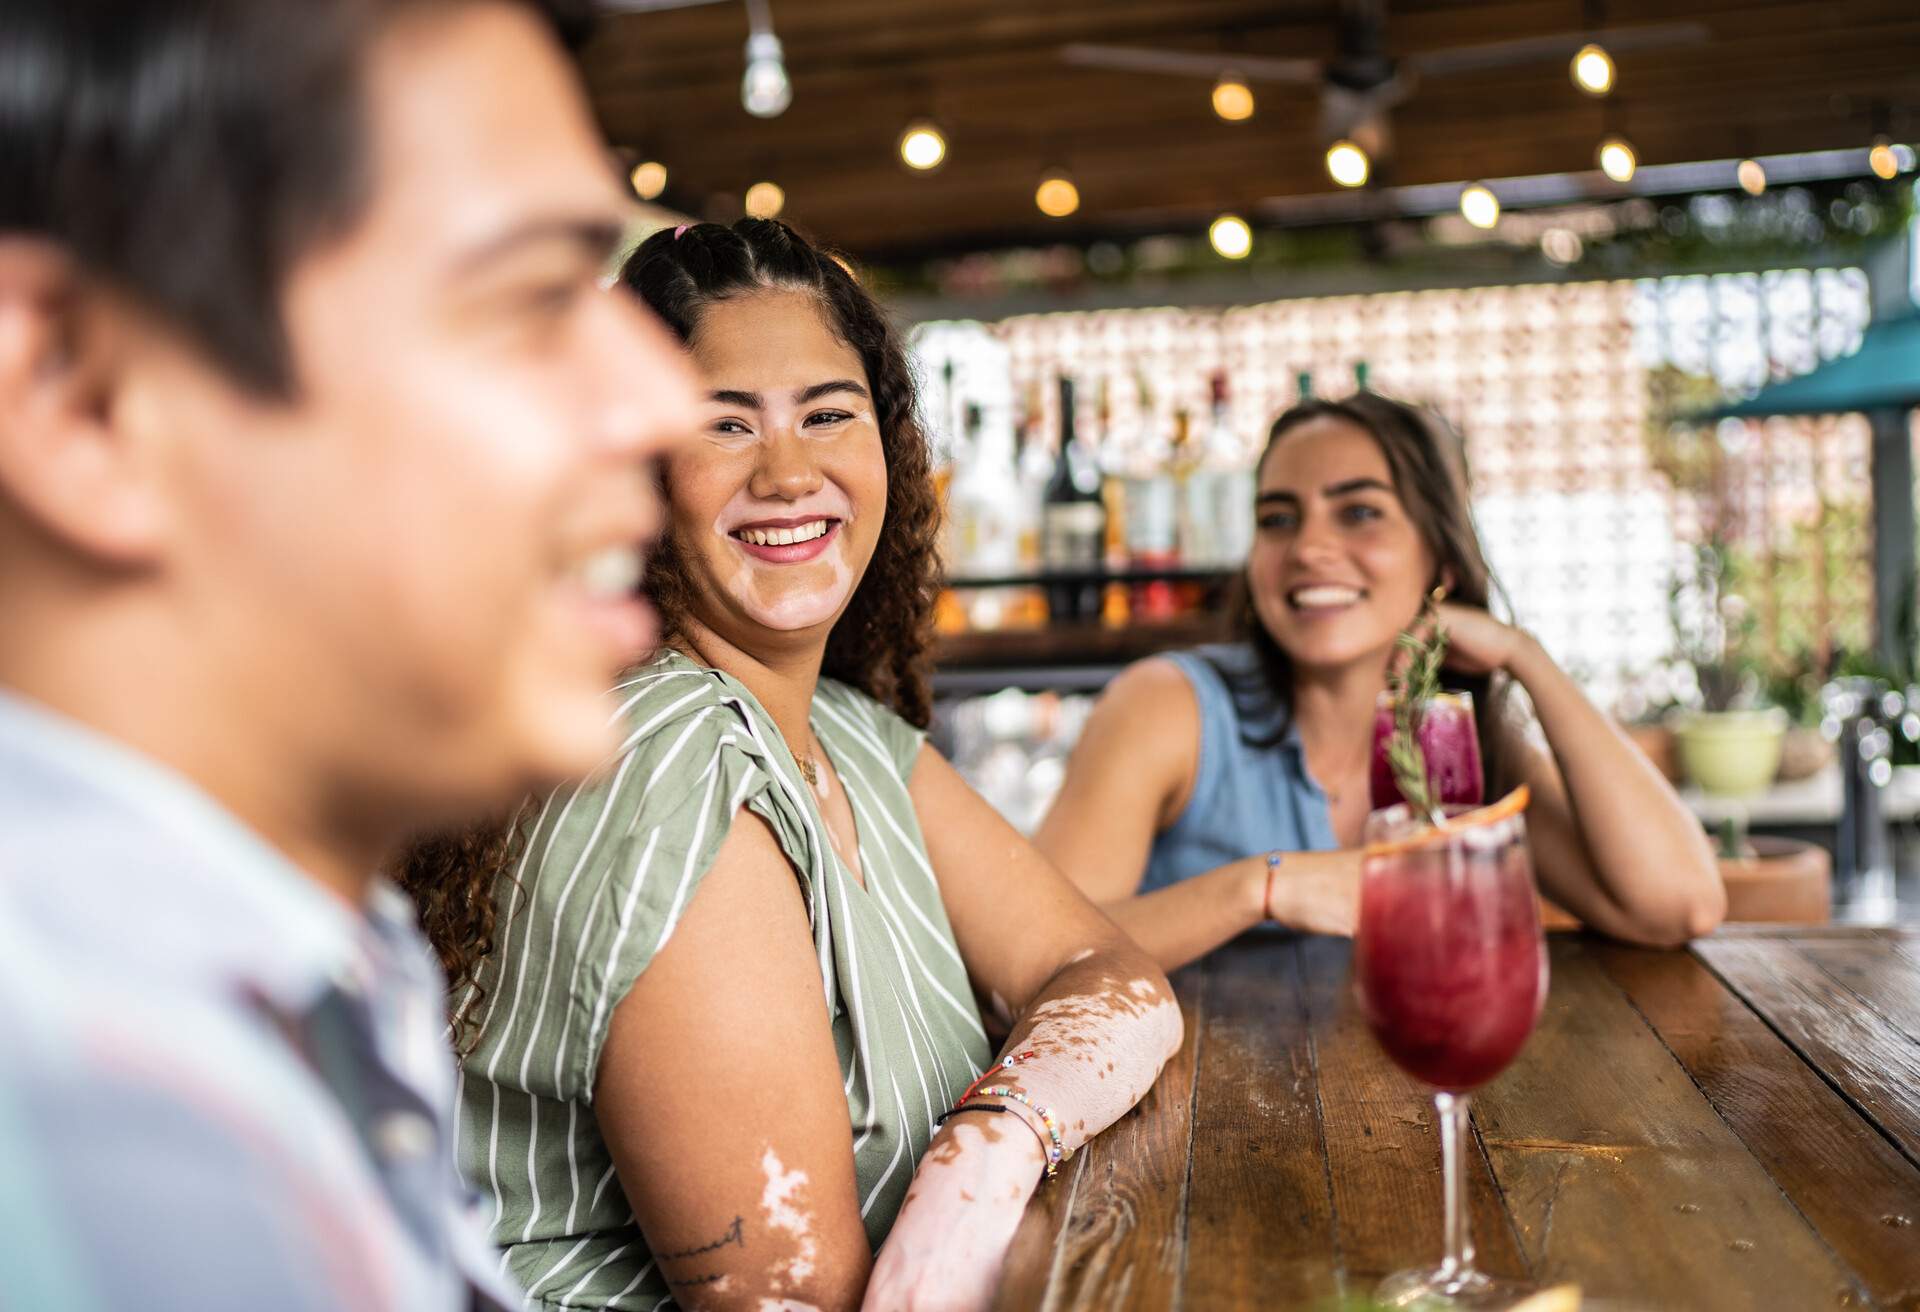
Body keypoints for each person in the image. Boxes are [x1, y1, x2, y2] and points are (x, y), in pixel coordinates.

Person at [0, 2, 700, 1307]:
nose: (662, 402)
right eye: (537, 297)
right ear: (82, 397)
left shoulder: (285, 977)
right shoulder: (118, 1158)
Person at [398, 219, 1183, 1311]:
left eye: (828, 414)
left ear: (888, 451)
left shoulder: (852, 733)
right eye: (725, 425)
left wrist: (989, 1156)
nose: (789, 471)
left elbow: (1111, 970)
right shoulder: (667, 761)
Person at [1035, 391, 1727, 972]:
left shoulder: (1459, 743)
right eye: (1278, 518)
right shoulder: (1168, 705)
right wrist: (1264, 888)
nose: (1307, 548)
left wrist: (1528, 659)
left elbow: (1681, 905)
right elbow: (1032, 958)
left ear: (1442, 562)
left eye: (1359, 511)